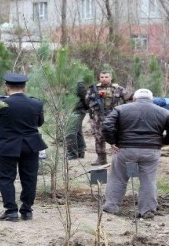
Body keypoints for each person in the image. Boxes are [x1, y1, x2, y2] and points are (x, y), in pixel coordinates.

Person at [102, 89, 169, 219]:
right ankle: (147, 210)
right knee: (148, 180)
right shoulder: (164, 112)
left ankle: (111, 206)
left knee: (118, 177)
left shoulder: (121, 109)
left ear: (134, 98)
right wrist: (163, 142)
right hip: (151, 151)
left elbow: (107, 125)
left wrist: (112, 141)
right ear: (152, 99)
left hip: (125, 149)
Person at [0, 73, 47, 222]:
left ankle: (11, 211)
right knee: (29, 178)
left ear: (7, 87)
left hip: (7, 145)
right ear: (25, 87)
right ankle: (27, 210)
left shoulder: (0, 104)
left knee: (6, 178)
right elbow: (39, 123)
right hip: (30, 145)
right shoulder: (36, 103)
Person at [85, 71, 128, 165]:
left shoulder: (118, 88)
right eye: (102, 77)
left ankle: (119, 158)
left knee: (118, 136)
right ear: (99, 78)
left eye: (106, 77)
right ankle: (101, 159)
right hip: (98, 117)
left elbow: (128, 99)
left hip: (114, 117)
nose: (104, 78)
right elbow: (87, 100)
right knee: (99, 137)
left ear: (111, 78)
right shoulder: (93, 89)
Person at [65, 81, 89, 160]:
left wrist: (86, 108)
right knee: (78, 131)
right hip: (72, 110)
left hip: (78, 110)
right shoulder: (65, 82)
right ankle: (80, 152)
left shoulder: (77, 83)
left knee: (70, 132)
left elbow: (85, 97)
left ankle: (72, 154)